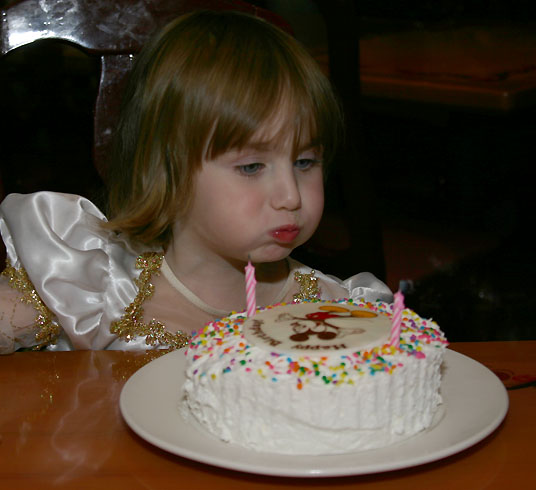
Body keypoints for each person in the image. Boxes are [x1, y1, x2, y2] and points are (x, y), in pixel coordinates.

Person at [0, 10, 391, 354]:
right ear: (167, 171)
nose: (291, 196)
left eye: (305, 161)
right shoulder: (87, 292)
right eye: (252, 167)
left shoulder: (337, 311)